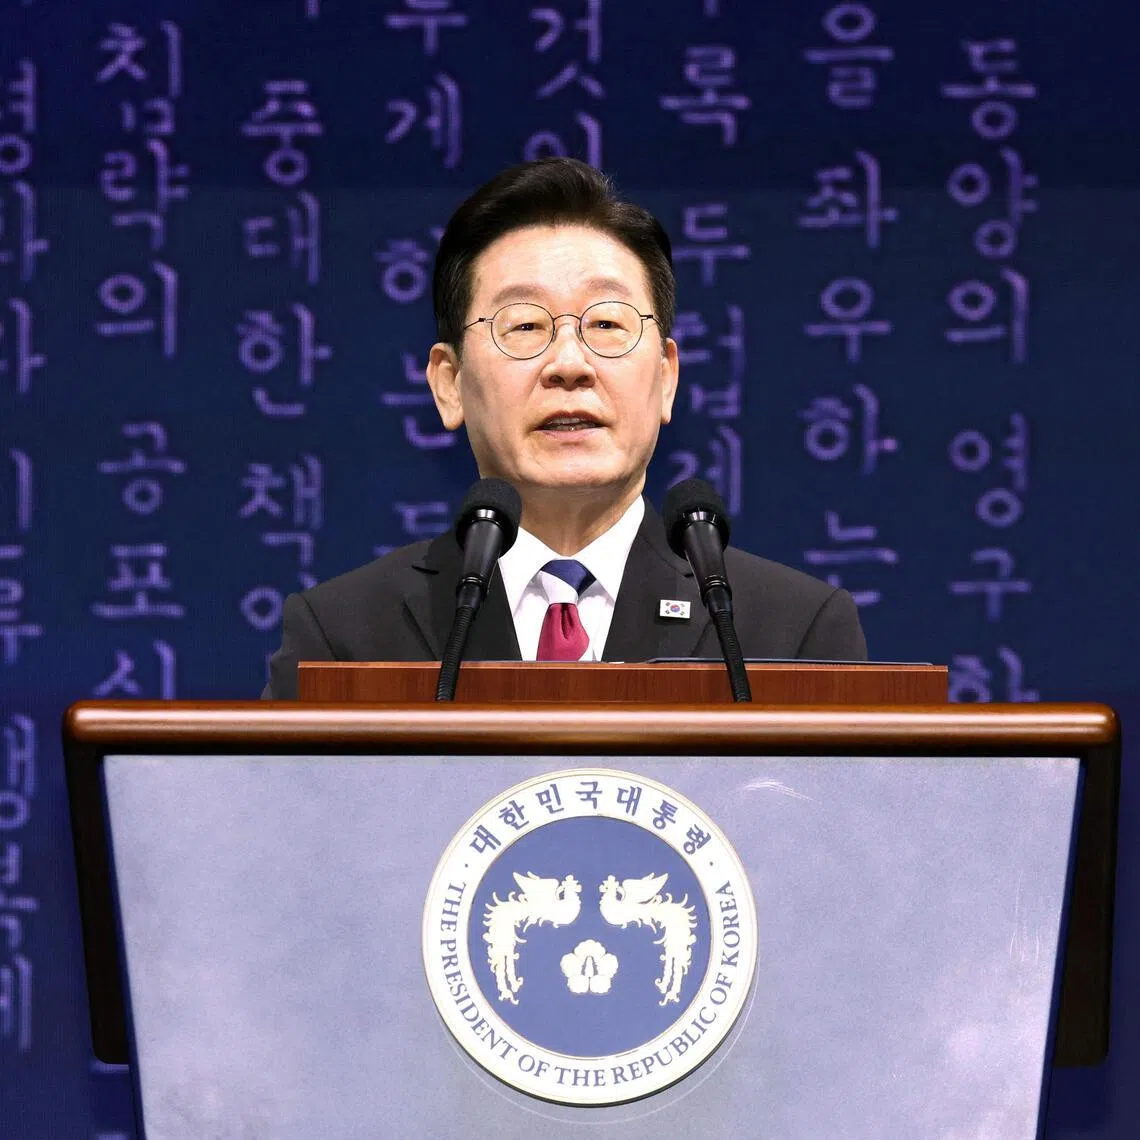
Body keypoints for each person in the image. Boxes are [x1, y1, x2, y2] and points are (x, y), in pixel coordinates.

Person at [263, 158, 865, 698]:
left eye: (606, 323)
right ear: (449, 383)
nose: (570, 365)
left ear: (666, 378)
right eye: (524, 326)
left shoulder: (793, 631)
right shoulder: (344, 635)